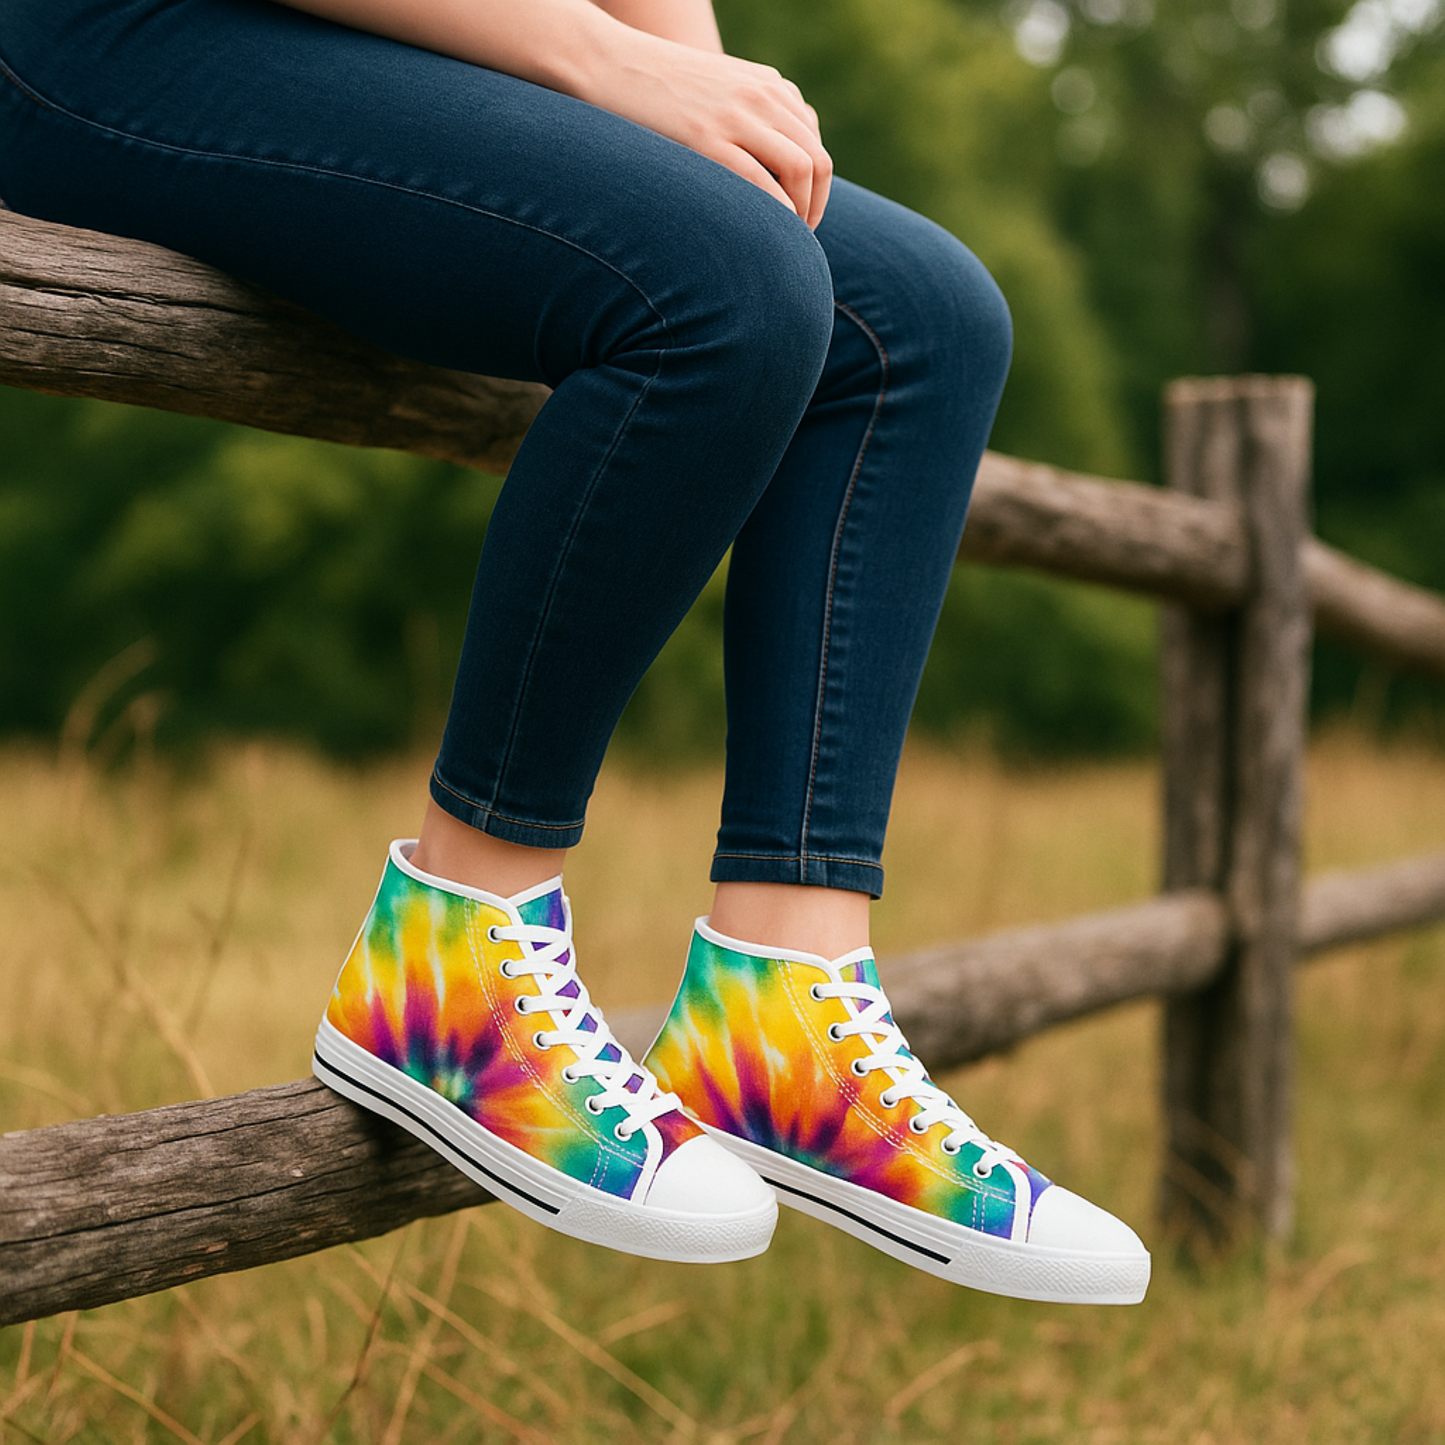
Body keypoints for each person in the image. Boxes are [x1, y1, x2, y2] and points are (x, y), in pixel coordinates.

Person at [0, 0, 1149, 1303]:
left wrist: (704, 100)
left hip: (424, 39)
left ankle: (783, 1004)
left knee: (925, 317)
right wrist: (603, 59)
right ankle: (453, 959)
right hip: (105, 39)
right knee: (728, 285)